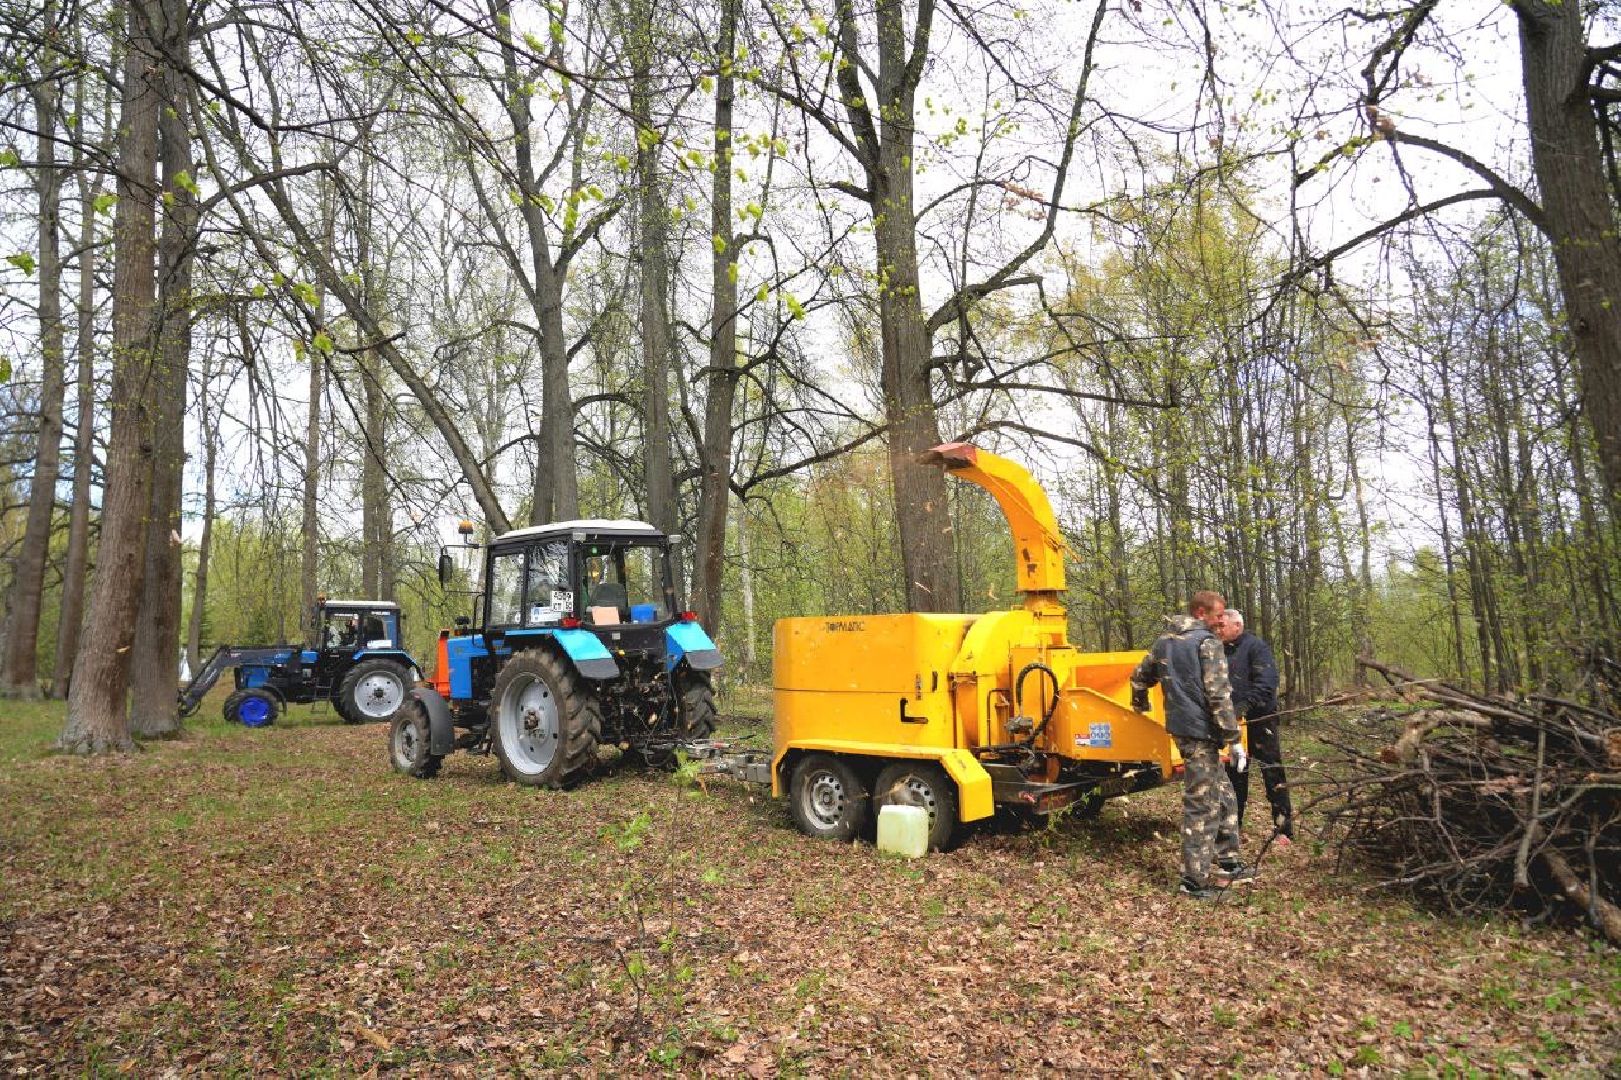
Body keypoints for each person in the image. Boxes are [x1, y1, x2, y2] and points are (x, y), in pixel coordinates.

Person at [1130, 590, 1255, 899]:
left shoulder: (1164, 642)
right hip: (1200, 733)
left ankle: (1228, 862)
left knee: (1224, 793)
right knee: (1201, 805)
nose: (1222, 619)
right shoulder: (1207, 644)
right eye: (1218, 614)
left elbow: (1139, 675)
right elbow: (1218, 695)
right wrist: (1234, 740)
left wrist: (1139, 702)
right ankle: (1192, 882)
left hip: (1186, 730)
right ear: (1201, 613)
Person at [1216, 609, 1293, 846]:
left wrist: (1244, 707)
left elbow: (1266, 684)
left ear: (1237, 626)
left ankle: (1283, 830)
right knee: (1235, 776)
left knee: (1273, 774)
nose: (1218, 630)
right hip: (1235, 726)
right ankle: (1233, 828)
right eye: (1217, 627)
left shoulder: (1256, 648)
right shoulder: (1219, 651)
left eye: (1223, 626)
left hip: (1260, 722)